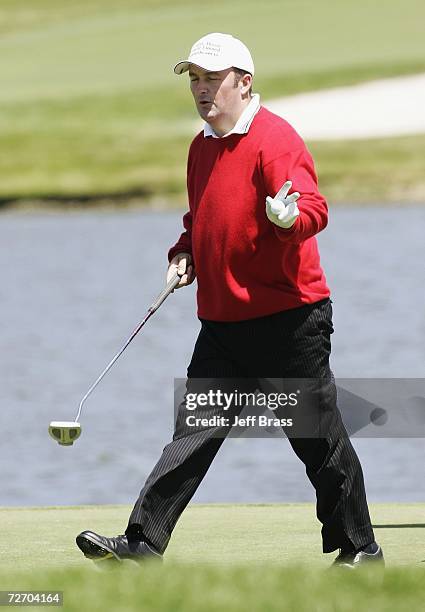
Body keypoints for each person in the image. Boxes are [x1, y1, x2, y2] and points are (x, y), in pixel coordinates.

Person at [76, 32, 383, 569]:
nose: (201, 89)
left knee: (316, 438)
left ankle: (360, 548)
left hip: (289, 321)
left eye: (212, 79)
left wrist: (288, 220)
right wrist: (185, 254)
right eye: (194, 78)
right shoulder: (202, 147)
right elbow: (202, 221)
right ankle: (143, 544)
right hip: (223, 323)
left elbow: (312, 208)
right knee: (192, 434)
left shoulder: (274, 139)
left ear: (244, 82)